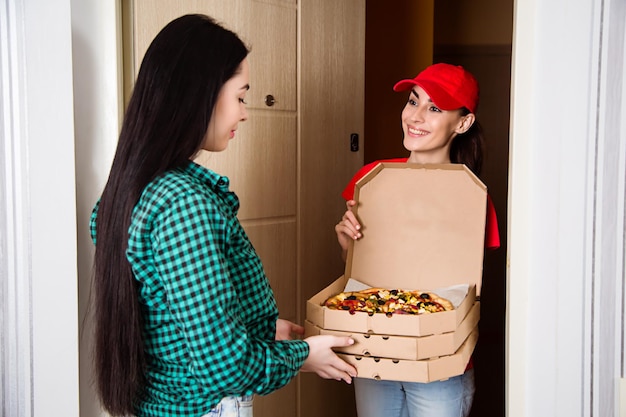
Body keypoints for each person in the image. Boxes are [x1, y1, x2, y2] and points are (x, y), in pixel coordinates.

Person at [90, 14, 356, 417]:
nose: (245, 113)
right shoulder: (183, 205)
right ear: (201, 95)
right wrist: (303, 356)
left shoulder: (132, 192)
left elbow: (174, 314)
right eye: (241, 96)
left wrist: (264, 331)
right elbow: (225, 366)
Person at [334, 63, 500, 417]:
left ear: (463, 123)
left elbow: (464, 287)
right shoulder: (372, 177)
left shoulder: (470, 196)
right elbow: (363, 276)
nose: (416, 116)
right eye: (413, 101)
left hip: (440, 359)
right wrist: (348, 244)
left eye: (435, 108)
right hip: (375, 347)